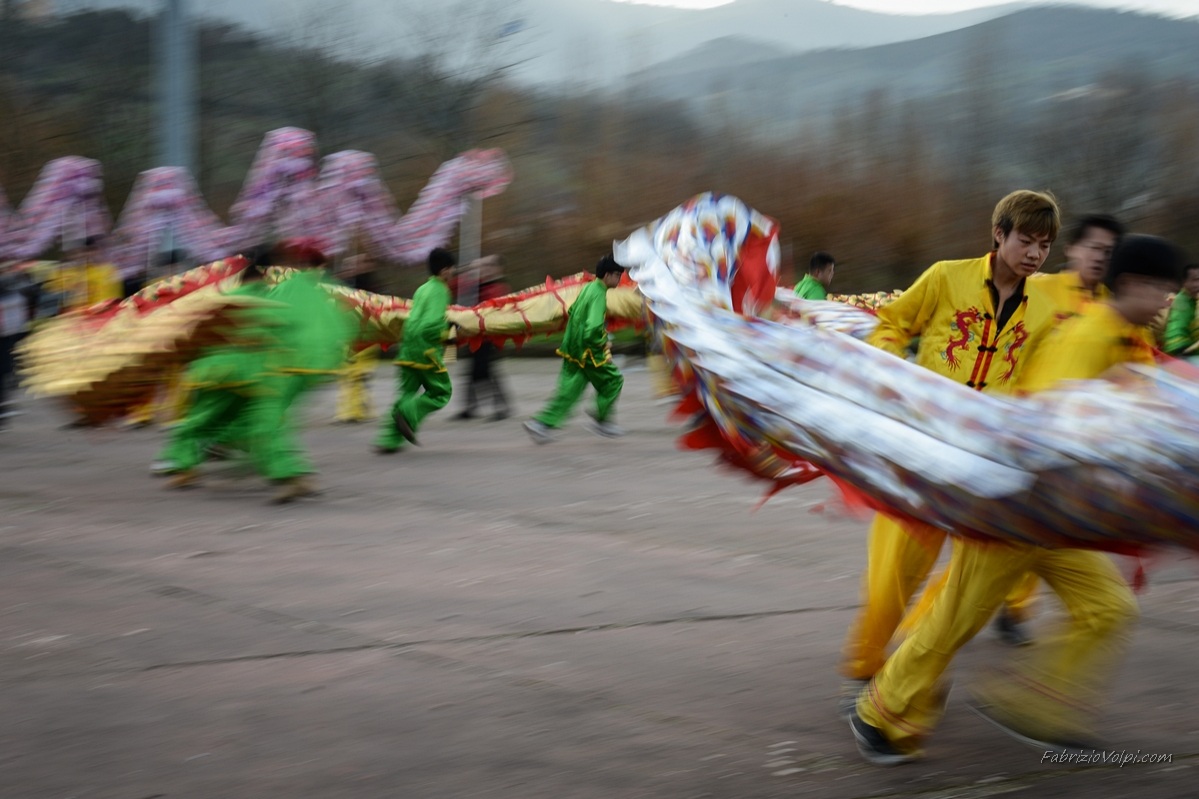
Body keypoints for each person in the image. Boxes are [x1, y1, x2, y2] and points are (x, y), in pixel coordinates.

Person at [849, 234, 1181, 765]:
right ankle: (879, 714)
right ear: (1133, 283)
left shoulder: (1122, 340)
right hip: (1017, 512)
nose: (1170, 299)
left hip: (1055, 520)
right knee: (954, 622)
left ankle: (1037, 708)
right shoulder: (1089, 336)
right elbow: (1044, 428)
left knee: (1108, 609)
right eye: (1163, 288)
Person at [840, 190, 1062, 701]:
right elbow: (891, 325)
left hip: (989, 460)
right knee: (893, 574)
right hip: (926, 453)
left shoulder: (1048, 301)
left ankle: (914, 650)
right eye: (1025, 240)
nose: (1034, 253)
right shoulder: (946, 277)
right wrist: (896, 380)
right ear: (998, 234)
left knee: (985, 571)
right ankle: (865, 665)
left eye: (1044, 245)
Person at [523, 255, 626, 444]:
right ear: (608, 275)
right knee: (614, 380)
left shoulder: (588, 288)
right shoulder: (598, 294)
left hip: (573, 347)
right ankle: (600, 417)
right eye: (618, 275)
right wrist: (604, 342)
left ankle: (542, 424)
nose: (619, 279)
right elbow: (593, 328)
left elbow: (572, 311)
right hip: (589, 352)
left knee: (570, 390)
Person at [375, 247, 456, 454]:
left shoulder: (422, 289)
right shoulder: (441, 291)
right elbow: (431, 324)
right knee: (441, 392)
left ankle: (389, 439)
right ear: (444, 270)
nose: (453, 273)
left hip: (407, 348)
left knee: (406, 393)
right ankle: (410, 413)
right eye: (451, 269)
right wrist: (448, 331)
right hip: (425, 349)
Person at [1031, 213, 1123, 323]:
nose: (1100, 258)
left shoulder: (1115, 305)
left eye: (1108, 251)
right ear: (1069, 249)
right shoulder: (1037, 288)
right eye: (1094, 248)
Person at [453, 255, 512, 421]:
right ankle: (472, 407)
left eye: (488, 266)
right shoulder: (477, 285)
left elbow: (490, 309)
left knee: (484, 372)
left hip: (489, 338)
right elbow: (455, 286)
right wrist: (467, 270)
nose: (483, 270)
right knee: (474, 372)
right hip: (475, 337)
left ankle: (501, 406)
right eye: (482, 266)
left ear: (497, 269)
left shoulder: (498, 287)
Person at [1162, 262, 1199, 357]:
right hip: (1184, 354)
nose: (1197, 285)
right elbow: (1177, 328)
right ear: (1184, 282)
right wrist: (1181, 351)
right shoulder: (1181, 300)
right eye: (1195, 280)